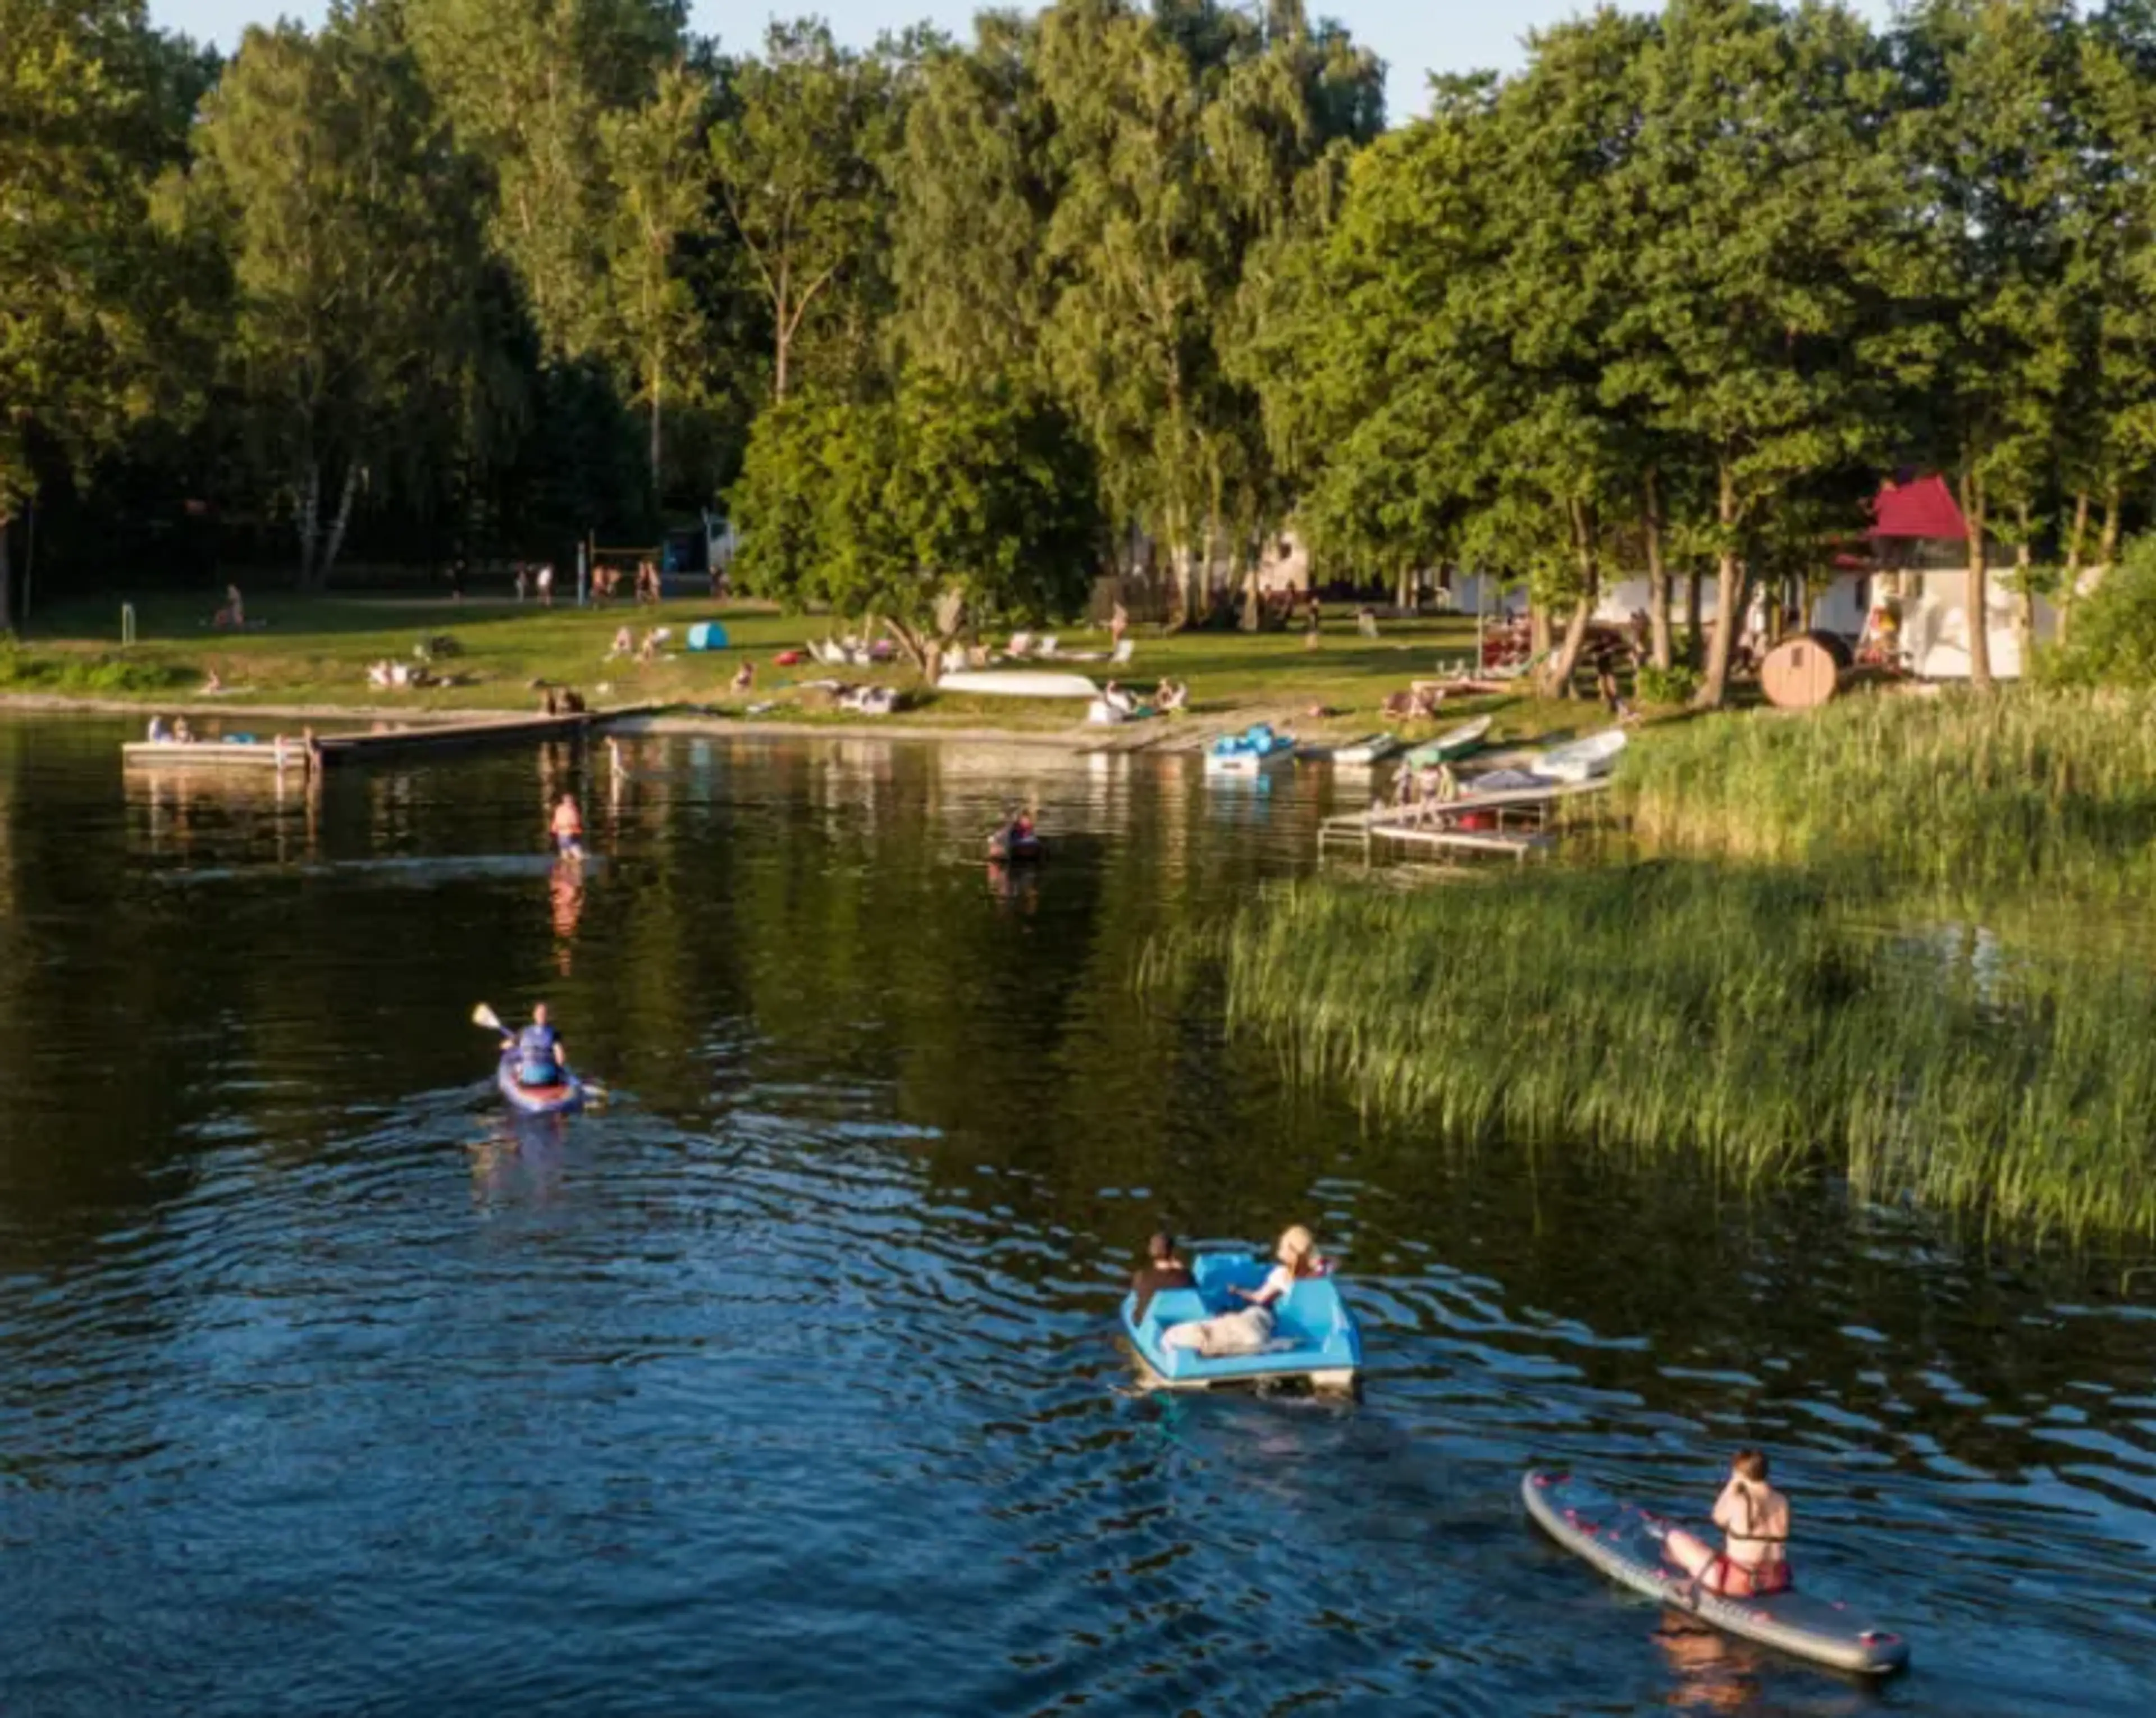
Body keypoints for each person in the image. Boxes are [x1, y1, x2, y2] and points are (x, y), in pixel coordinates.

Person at [1161, 1224, 1326, 1358]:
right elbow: (1326, 1263)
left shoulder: (1281, 1275)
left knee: (1235, 1314)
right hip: (1313, 1322)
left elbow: (1259, 1298)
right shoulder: (1321, 1273)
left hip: (1278, 1321)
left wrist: (1238, 1290)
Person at [1655, 1449, 1793, 1598]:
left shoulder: (1739, 1500)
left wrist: (1732, 1485)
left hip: (1737, 1583)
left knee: (1674, 1536)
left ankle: (1680, 1562)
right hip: (1777, 1580)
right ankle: (1683, 1561)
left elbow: (1717, 1517)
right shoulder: (1782, 1501)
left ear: (1739, 1472)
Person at [1130, 1232, 1195, 1323]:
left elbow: (1138, 1295)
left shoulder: (1140, 1277)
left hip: (1145, 1323)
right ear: (1173, 1251)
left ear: (1151, 1252)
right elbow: (1195, 1293)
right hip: (1177, 1322)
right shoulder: (1184, 1276)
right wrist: (1182, 1270)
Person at [504, 1002, 569, 1089]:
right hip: (549, 1081)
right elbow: (561, 1059)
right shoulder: (554, 1033)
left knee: (518, 1067)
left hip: (527, 1082)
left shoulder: (523, 1032)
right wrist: (561, 1071)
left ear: (534, 1015)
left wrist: (509, 1043)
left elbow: (505, 1046)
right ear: (548, 1017)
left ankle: (520, 1076)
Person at [550, 792, 584, 858]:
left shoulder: (561, 809)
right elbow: (574, 822)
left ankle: (567, 866)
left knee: (565, 853)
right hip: (567, 834)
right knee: (578, 855)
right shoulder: (566, 810)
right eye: (568, 800)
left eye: (571, 800)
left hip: (567, 834)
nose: (570, 802)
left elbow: (555, 822)